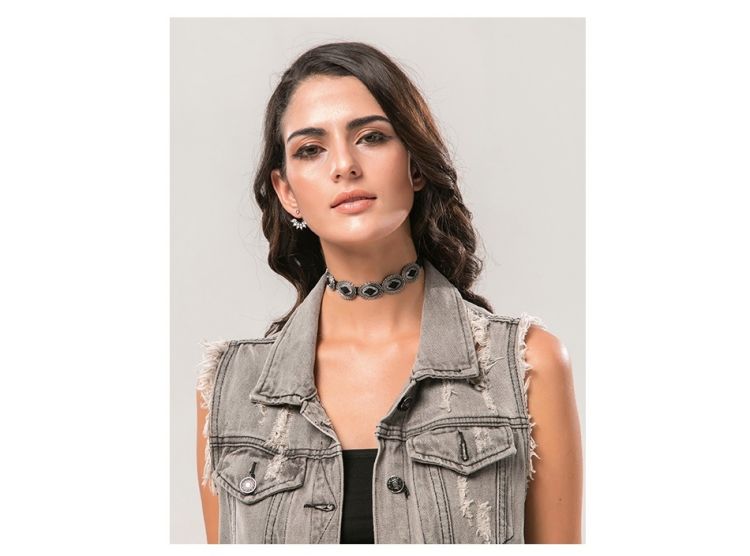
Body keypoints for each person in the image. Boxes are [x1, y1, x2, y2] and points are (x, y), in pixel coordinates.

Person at [196, 41, 582, 544]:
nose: (344, 165)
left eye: (372, 137)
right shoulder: (230, 388)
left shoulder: (525, 366)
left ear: (415, 166)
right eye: (311, 149)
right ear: (287, 191)